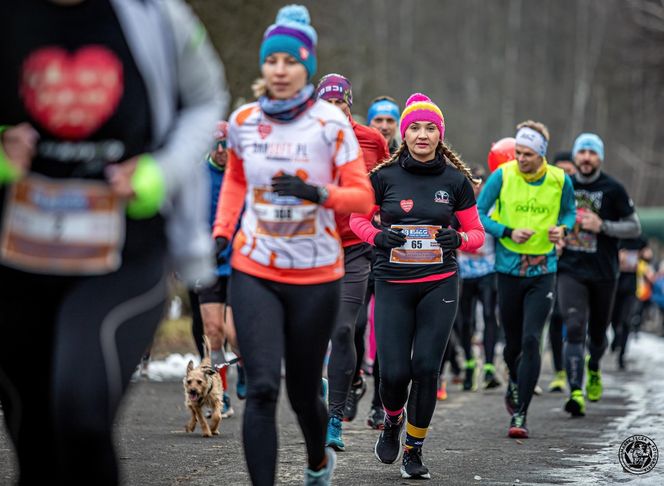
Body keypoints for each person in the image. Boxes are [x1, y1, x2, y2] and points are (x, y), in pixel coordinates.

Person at [0, 0, 227, 484]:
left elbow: (206, 99)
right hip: (14, 259)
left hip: (123, 252)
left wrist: (161, 172)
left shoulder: (158, 15)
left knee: (80, 413)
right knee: (34, 438)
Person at [211, 6, 374, 485]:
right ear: (263, 68)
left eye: (290, 61)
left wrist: (317, 194)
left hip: (316, 274)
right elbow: (236, 184)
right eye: (271, 61)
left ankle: (318, 463)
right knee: (261, 388)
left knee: (304, 392)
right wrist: (222, 232)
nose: (279, 70)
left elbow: (362, 195)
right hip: (255, 267)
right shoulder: (243, 120)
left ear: (306, 66)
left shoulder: (331, 124)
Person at [350, 93, 484, 479]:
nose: (422, 134)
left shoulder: (456, 182)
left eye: (430, 128)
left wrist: (457, 240)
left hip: (439, 284)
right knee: (392, 374)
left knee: (426, 368)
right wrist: (377, 237)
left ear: (440, 135)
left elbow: (477, 233)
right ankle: (393, 418)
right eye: (414, 127)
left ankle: (414, 447)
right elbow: (358, 221)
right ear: (403, 134)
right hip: (392, 283)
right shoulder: (382, 178)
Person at [477, 120, 576, 438]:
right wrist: (506, 231)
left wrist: (563, 229)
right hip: (507, 270)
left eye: (527, 154)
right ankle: (515, 382)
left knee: (533, 339)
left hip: (543, 271)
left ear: (541, 154)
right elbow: (478, 213)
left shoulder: (560, 180)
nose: (520, 158)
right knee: (513, 344)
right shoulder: (502, 176)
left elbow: (569, 213)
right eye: (517, 152)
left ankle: (520, 415)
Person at [315, 73, 389, 451]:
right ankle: (338, 385)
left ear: (349, 104)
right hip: (310, 250)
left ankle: (334, 419)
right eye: (325, 105)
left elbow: (389, 183)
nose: (333, 111)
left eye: (339, 104)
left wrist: (381, 214)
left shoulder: (372, 140)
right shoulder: (304, 137)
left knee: (345, 330)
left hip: (356, 248)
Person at [557, 132, 641, 417]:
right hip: (570, 269)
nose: (587, 158)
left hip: (604, 272)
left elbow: (634, 227)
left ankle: (593, 368)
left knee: (597, 335)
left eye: (592, 153)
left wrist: (603, 225)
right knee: (575, 325)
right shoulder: (562, 185)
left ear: (600, 158)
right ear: (575, 157)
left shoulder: (613, 189)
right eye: (582, 152)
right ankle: (576, 391)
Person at [456, 166, 501, 390]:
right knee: (465, 322)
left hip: (488, 271)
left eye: (478, 183)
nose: (475, 187)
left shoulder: (490, 207)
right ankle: (470, 364)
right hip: (464, 273)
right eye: (470, 183)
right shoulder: (456, 206)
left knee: (489, 315)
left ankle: (490, 366)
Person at [547, 151, 577, 392]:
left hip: (581, 266)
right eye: (561, 170)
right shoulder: (547, 192)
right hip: (555, 263)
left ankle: (579, 361)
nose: (565, 175)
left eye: (570, 170)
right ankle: (559, 370)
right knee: (556, 316)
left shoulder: (584, 195)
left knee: (576, 319)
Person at [611, 238, 647, 369]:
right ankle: (616, 337)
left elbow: (648, 255)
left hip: (631, 286)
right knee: (614, 319)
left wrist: (643, 255)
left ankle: (622, 355)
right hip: (614, 283)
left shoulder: (640, 238)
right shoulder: (616, 236)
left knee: (626, 320)